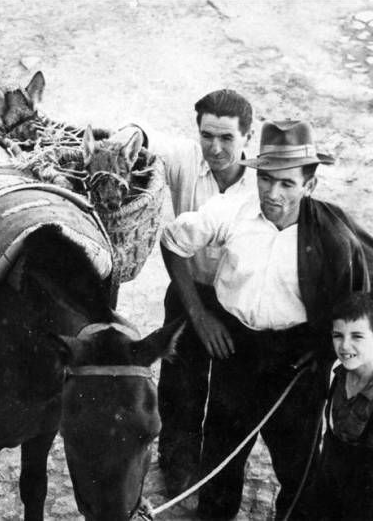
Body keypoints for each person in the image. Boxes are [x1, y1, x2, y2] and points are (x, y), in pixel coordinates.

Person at [160, 120, 373, 519]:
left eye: (288, 184)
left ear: (309, 186)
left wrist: (323, 353)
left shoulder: (333, 238)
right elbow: (173, 241)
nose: (273, 194)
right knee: (220, 462)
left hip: (296, 364)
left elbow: (353, 304)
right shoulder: (231, 211)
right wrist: (201, 316)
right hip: (235, 351)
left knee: (299, 472)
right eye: (266, 180)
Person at [109, 89, 256, 495]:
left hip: (238, 300)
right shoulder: (187, 158)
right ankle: (177, 467)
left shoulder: (264, 183)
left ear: (249, 136)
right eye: (208, 135)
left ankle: (217, 482)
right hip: (189, 289)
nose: (215, 147)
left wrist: (215, 319)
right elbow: (140, 132)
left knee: (230, 396)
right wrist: (132, 133)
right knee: (180, 387)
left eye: (227, 138)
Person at [311, 292, 373, 520]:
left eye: (357, 336)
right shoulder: (336, 374)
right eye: (338, 336)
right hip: (331, 490)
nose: (344, 346)